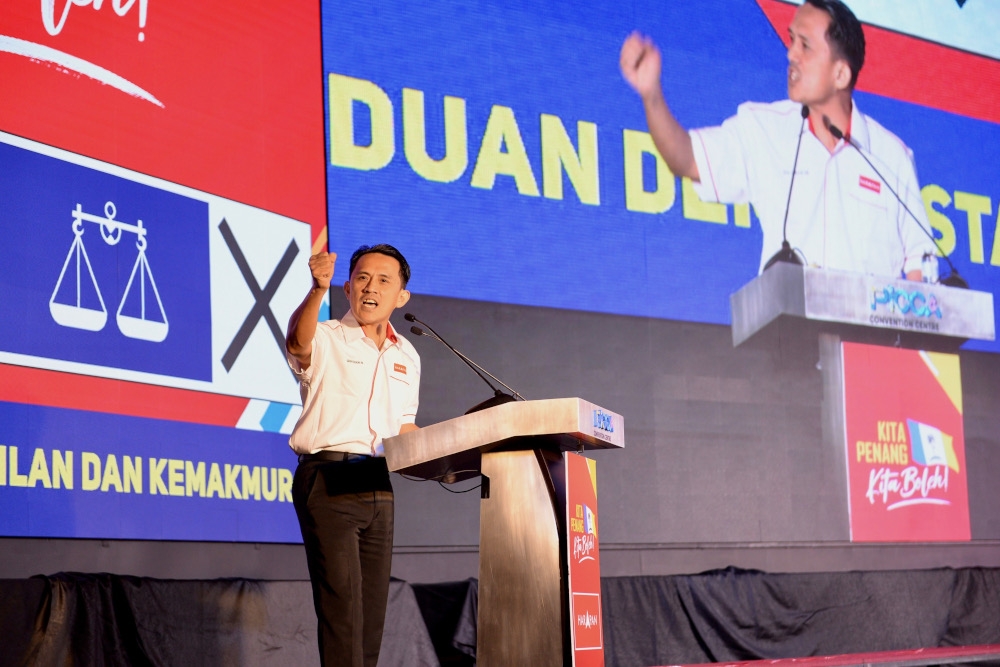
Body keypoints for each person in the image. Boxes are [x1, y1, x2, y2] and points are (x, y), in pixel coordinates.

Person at [620, 0, 936, 280]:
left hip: (873, 344)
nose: (791, 54)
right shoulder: (764, 129)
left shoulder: (891, 156)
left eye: (805, 46)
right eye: (791, 41)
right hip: (791, 341)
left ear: (841, 75)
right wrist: (651, 95)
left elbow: (920, 260)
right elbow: (686, 158)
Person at [285, 243, 420, 667]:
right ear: (347, 287)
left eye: (383, 280)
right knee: (342, 613)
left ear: (401, 296)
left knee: (370, 618)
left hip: (378, 482)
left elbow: (404, 429)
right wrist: (315, 289)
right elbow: (297, 342)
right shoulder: (326, 337)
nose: (370, 287)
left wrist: (452, 454)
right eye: (362, 278)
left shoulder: (408, 355)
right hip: (328, 476)